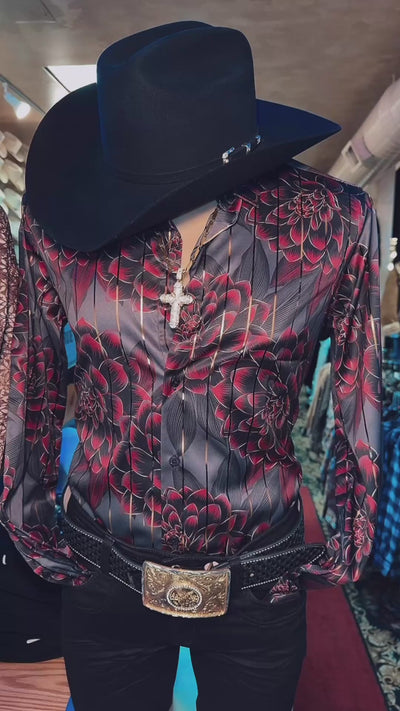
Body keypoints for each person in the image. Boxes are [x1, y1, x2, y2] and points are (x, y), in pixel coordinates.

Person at [0, 21, 381, 711]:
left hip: (259, 576)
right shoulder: (59, 221)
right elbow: (34, 373)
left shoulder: (334, 220)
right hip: (103, 569)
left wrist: (356, 524)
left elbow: (358, 379)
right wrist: (25, 515)